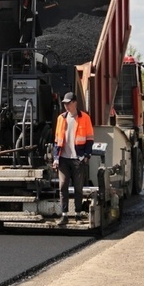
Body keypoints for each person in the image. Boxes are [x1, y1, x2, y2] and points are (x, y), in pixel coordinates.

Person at [53, 92, 94, 225]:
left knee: (78, 187)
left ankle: (77, 214)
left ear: (75, 103)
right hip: (63, 159)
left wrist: (86, 156)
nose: (66, 106)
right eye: (65, 104)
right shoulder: (61, 118)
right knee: (63, 185)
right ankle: (64, 215)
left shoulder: (85, 118)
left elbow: (89, 139)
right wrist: (55, 158)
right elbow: (57, 140)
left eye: (69, 103)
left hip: (78, 158)